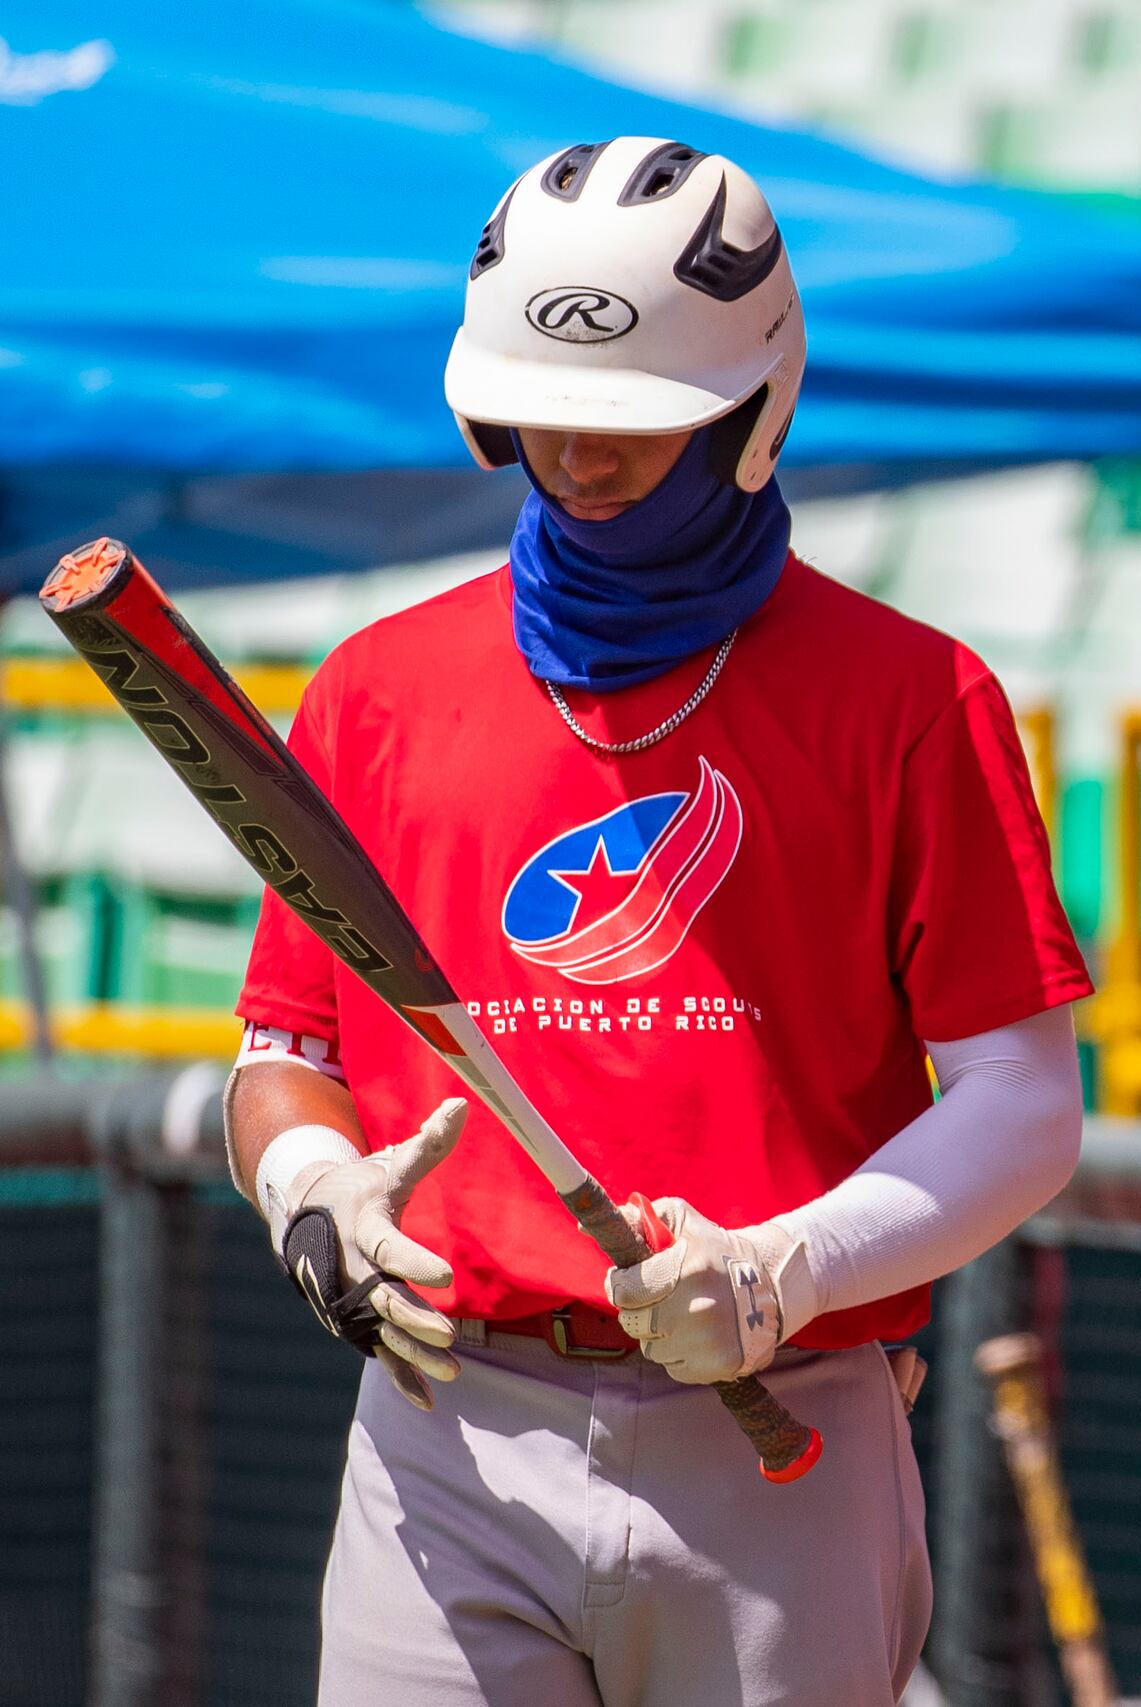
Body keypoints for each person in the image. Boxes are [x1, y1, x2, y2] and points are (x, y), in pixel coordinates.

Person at [224, 137, 1091, 1707]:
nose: (576, 452)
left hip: (783, 1437)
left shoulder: (916, 700)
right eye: (540, 409)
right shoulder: (373, 690)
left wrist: (785, 1268)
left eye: (632, 419)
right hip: (444, 1444)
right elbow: (281, 1053)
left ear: (757, 403)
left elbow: (1026, 1104)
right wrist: (311, 1186)